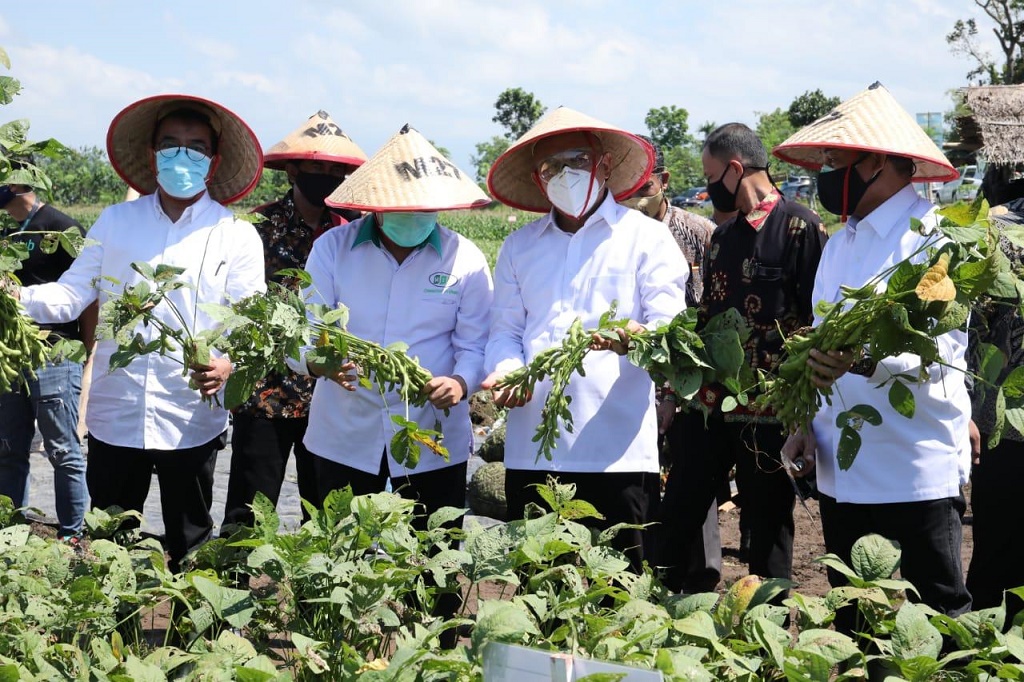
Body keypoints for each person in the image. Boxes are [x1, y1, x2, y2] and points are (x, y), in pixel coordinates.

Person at [15, 94, 266, 572]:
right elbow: (70, 297)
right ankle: (109, 637)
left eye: (195, 147)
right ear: (153, 156)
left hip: (190, 415)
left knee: (191, 542)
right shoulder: (116, 222)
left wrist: (227, 361)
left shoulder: (235, 234)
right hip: (117, 414)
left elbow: (248, 324)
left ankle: (190, 639)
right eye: (170, 144)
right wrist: (14, 296)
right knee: (110, 546)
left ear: (212, 162)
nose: (181, 155)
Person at [777, 82, 972, 621]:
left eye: (836, 159)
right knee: (855, 622)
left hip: (915, 467)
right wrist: (806, 426)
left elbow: (944, 352)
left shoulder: (934, 240)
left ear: (878, 163)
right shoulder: (841, 242)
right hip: (844, 468)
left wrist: (865, 359)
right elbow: (821, 348)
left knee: (939, 620)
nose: (826, 172)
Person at [483, 107, 688, 571]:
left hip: (616, 450)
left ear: (605, 165)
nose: (565, 175)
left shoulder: (647, 240)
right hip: (535, 449)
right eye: (551, 167)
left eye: (576, 161)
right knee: (541, 593)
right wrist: (509, 373)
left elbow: (671, 328)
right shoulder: (520, 247)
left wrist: (636, 337)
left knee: (618, 594)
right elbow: (506, 332)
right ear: (538, 179)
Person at [655, 123, 827, 593]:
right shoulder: (721, 236)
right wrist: (676, 390)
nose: (709, 186)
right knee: (682, 504)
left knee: (768, 523)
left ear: (734, 169)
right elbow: (706, 316)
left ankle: (765, 629)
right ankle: (669, 606)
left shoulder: (801, 227)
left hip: (771, 407)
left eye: (712, 175)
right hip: (712, 401)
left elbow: (816, 319)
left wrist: (803, 415)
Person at [221, 111, 367, 531]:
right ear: (292, 171)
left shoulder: (353, 232)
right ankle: (231, 589)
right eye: (315, 167)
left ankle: (313, 595)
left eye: (334, 170)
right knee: (248, 508)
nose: (325, 176)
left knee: (325, 514)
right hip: (266, 389)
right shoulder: (258, 227)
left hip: (330, 390)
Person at [0, 168, 97, 542]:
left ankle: (73, 535)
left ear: (17, 185)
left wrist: (86, 351)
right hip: (11, 356)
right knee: (9, 448)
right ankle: (11, 531)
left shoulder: (61, 229)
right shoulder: (6, 233)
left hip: (56, 354)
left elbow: (89, 296)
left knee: (62, 450)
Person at [965, 170, 1024, 622]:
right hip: (1001, 421)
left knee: (997, 549)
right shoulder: (994, 230)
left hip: (998, 420)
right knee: (999, 549)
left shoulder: (991, 227)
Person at [622, 135, 715, 308]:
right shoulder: (610, 237)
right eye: (627, 191)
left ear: (663, 181)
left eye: (644, 188)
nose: (635, 199)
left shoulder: (701, 233)